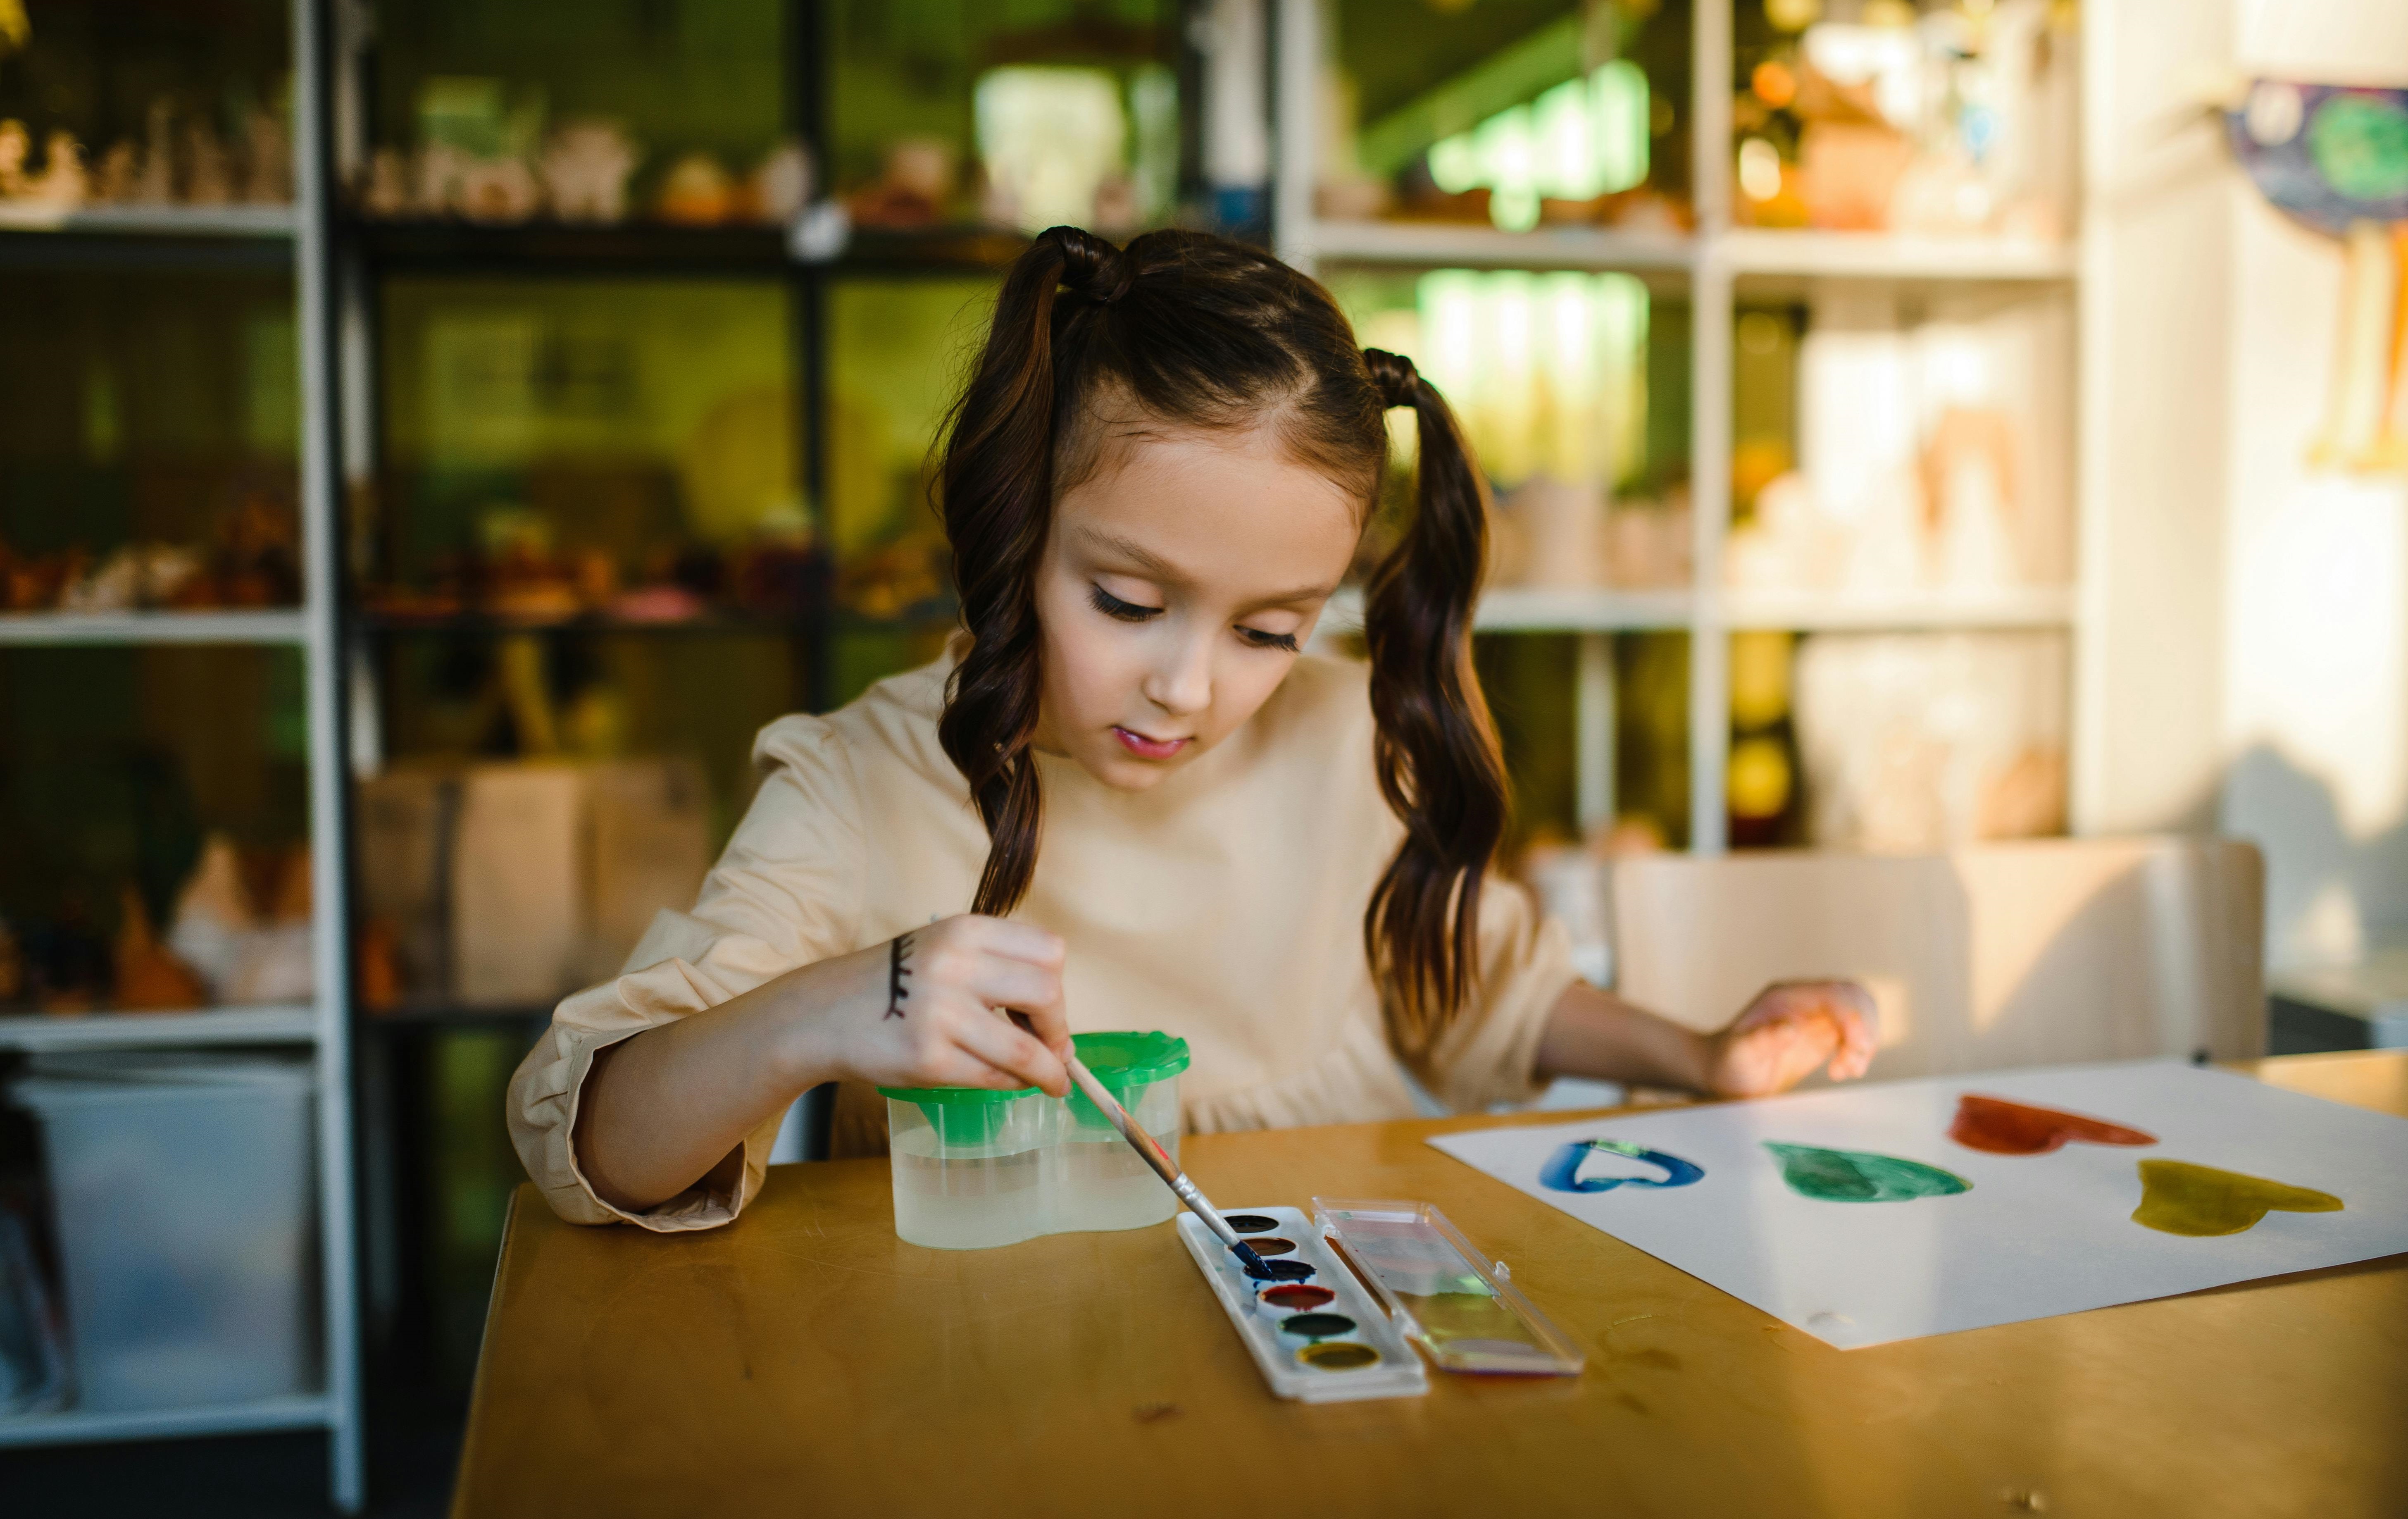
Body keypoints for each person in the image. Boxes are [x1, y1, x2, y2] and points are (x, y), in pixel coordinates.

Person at [509, 227, 1877, 1230]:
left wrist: (1700, 1057)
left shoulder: (1346, 737)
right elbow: (600, 1148)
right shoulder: (862, 783)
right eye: (1127, 599)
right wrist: (825, 1007)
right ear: (1015, 528)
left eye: (1270, 629)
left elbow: (1485, 992)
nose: (1189, 687)